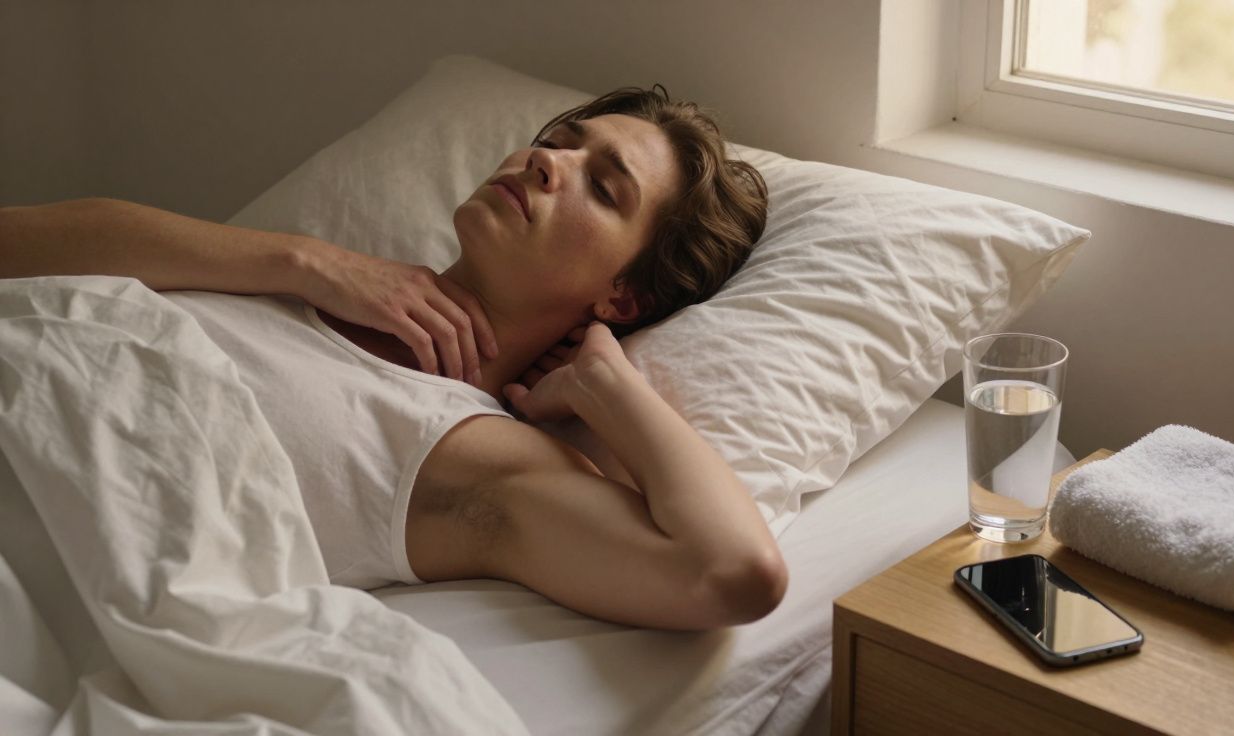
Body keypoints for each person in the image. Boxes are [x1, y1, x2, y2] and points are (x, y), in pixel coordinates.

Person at [0, 85, 783, 630]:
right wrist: (300, 262)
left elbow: (732, 573)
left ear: (622, 298)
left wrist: (608, 385)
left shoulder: (473, 455)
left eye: (603, 188)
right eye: (557, 142)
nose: (548, 162)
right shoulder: (294, 276)